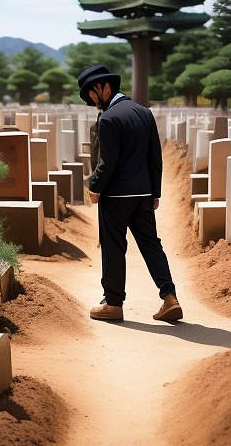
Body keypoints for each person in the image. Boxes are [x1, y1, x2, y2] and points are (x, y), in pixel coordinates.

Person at [78, 64, 182, 322]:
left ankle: (113, 303)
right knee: (151, 244)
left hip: (115, 196)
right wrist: (154, 192)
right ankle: (170, 297)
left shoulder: (109, 118)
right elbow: (154, 158)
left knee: (114, 247)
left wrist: (94, 187)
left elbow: (107, 161)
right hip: (143, 194)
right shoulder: (144, 112)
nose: (92, 102)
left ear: (102, 87)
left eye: (91, 94)